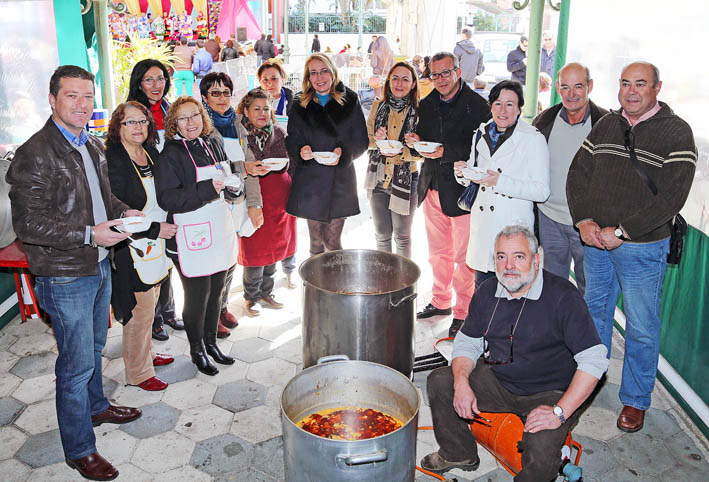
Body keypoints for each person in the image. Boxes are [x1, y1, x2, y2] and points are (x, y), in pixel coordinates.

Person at [6, 65, 143, 481]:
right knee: (75, 363)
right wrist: (89, 234)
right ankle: (79, 449)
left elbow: (103, 198)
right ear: (53, 100)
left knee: (95, 346)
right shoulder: (35, 153)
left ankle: (97, 406)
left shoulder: (91, 143)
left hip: (99, 262)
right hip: (65, 273)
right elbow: (28, 225)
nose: (82, 105)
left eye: (88, 96)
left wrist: (124, 213)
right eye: (72, 96)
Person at [566, 62, 697, 433]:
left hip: (642, 248)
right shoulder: (607, 124)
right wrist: (584, 220)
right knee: (594, 317)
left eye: (640, 84)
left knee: (641, 325)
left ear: (658, 87)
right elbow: (578, 174)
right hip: (596, 244)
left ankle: (636, 400)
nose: (631, 91)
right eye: (625, 83)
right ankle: (587, 385)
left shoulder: (677, 132)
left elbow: (673, 197)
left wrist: (622, 231)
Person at [420, 225, 609, 480]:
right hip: (499, 380)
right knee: (442, 381)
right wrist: (462, 383)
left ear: (537, 258)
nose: (509, 265)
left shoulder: (563, 296)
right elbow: (466, 342)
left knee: (541, 455)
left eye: (518, 256)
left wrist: (559, 412)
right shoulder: (487, 292)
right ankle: (458, 452)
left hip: (549, 391)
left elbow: (595, 359)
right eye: (501, 257)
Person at [406, 51, 490, 337]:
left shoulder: (478, 105)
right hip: (432, 187)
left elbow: (485, 148)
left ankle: (464, 310)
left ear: (458, 71)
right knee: (437, 253)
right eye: (435, 74)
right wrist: (415, 140)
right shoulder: (427, 102)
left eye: (446, 72)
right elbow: (423, 135)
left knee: (464, 257)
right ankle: (441, 300)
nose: (440, 79)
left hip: (463, 192)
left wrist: (448, 153)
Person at [155, 96, 241, 376]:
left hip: (219, 228)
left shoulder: (213, 143)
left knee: (217, 293)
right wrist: (208, 189)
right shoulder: (170, 154)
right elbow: (168, 199)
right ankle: (197, 351)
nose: (190, 123)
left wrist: (233, 189)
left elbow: (226, 176)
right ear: (173, 123)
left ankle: (212, 343)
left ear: (203, 118)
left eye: (195, 116)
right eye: (183, 118)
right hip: (190, 236)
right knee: (197, 296)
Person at [454, 79, 550, 318]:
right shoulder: (481, 132)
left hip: (512, 230)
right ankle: (484, 346)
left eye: (510, 105)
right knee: (483, 293)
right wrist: (464, 174)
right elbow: (478, 176)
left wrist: (500, 182)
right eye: (497, 104)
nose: (503, 111)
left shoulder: (533, 138)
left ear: (520, 108)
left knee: (513, 298)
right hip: (484, 227)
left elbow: (541, 191)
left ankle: (510, 350)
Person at [106, 101, 178, 391]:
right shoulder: (113, 159)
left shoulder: (149, 152)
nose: (138, 127)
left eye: (143, 121)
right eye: (130, 122)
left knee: (153, 301)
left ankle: (146, 354)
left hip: (156, 241)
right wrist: (153, 229)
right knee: (139, 309)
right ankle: (137, 373)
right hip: (132, 244)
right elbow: (117, 209)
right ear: (118, 126)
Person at [532, 63, 608, 296]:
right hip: (549, 218)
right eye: (565, 87)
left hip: (589, 222)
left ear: (590, 86)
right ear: (557, 87)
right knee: (554, 286)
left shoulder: (606, 124)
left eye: (578, 86)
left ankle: (585, 332)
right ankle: (557, 331)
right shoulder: (544, 121)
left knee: (590, 288)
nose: (571, 94)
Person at [285, 53, 368, 255]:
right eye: (313, 73)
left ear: (333, 72)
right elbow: (292, 138)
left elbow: (362, 140)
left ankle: (336, 285)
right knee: (315, 242)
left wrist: (344, 153)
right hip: (310, 180)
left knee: (332, 241)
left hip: (340, 180)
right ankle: (315, 286)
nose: (319, 77)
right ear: (308, 77)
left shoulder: (350, 99)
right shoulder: (299, 102)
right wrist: (300, 150)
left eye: (324, 71)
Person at [126, 59, 185, 340]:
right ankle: (153, 318)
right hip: (145, 195)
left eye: (160, 78)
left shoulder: (169, 109)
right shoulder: (132, 113)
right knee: (148, 257)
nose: (156, 85)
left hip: (168, 193)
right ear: (138, 83)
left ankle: (169, 309)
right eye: (149, 80)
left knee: (167, 256)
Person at [200, 71, 263, 333]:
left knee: (230, 260)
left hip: (238, 203)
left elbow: (250, 168)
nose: (222, 98)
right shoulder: (199, 127)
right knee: (214, 263)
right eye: (215, 93)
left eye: (226, 92)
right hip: (213, 204)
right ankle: (208, 315)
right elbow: (209, 168)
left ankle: (222, 306)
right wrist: (242, 167)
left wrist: (255, 204)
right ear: (204, 97)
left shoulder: (238, 123)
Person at [234, 89, 297, 315]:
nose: (262, 113)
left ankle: (266, 292)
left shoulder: (279, 132)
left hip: (280, 200)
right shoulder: (240, 135)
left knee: (275, 248)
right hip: (256, 197)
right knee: (255, 248)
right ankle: (251, 296)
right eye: (257, 109)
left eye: (266, 109)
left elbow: (289, 162)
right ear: (246, 111)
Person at [365, 61, 422, 258]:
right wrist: (377, 139)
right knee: (381, 236)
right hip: (378, 178)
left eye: (405, 79)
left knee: (402, 237)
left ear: (413, 83)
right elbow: (367, 141)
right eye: (395, 78)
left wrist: (407, 149)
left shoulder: (419, 110)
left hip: (406, 180)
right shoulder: (378, 106)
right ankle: (385, 283)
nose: (399, 83)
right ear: (388, 81)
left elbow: (423, 152)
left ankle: (404, 286)